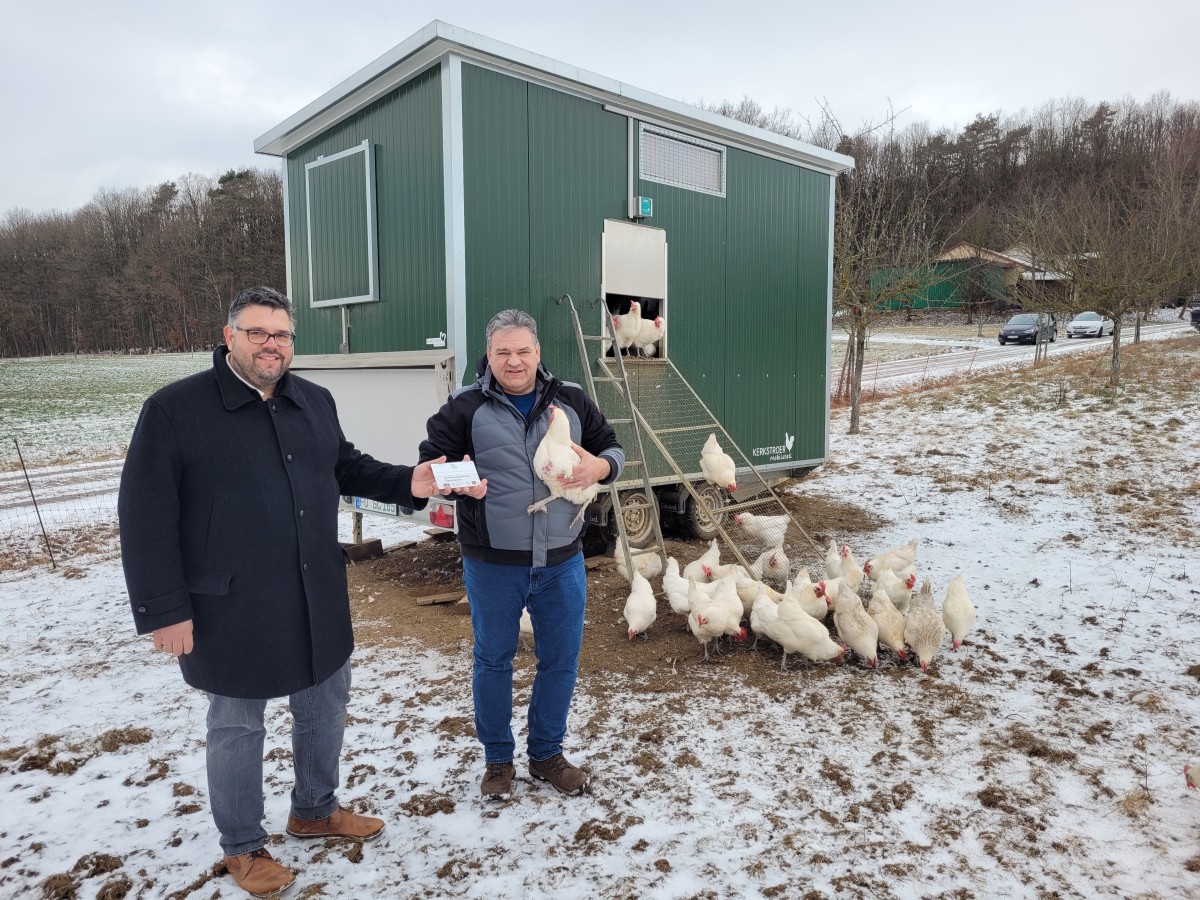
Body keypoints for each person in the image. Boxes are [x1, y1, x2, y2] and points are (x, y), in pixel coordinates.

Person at [117, 286, 483, 898]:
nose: (272, 345)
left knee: (324, 702)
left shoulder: (312, 400)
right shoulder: (176, 410)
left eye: (283, 335)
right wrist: (164, 608)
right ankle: (242, 845)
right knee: (237, 723)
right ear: (229, 336)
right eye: (259, 333)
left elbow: (345, 467)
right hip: (228, 602)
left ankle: (314, 809)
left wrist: (414, 481)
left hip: (315, 589)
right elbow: (145, 513)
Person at [419, 308, 624, 802]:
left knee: (560, 660)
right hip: (492, 562)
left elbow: (611, 449)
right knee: (493, 660)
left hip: (562, 561)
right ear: (488, 356)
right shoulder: (463, 407)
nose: (514, 361)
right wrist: (457, 482)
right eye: (503, 352)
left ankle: (547, 753)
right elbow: (430, 467)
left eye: (523, 351)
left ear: (538, 352)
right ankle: (497, 760)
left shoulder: (572, 399)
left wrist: (599, 467)